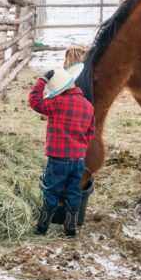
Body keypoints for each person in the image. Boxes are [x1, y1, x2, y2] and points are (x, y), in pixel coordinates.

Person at [28, 64, 95, 237]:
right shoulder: (88, 106)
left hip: (58, 158)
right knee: (73, 190)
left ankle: (43, 224)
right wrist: (80, 148)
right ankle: (71, 225)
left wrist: (42, 80)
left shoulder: (56, 103)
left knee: (52, 189)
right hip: (78, 159)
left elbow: (35, 101)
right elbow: (90, 132)